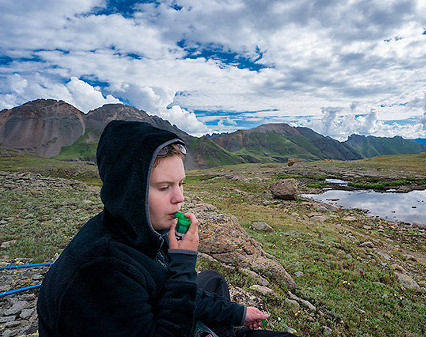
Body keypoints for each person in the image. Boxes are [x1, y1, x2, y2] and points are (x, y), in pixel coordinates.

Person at [37, 120, 297, 337]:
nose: (179, 198)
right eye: (164, 187)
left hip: (161, 314)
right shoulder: (103, 272)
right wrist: (182, 266)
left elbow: (165, 288)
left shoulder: (137, 229)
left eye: (181, 183)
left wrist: (239, 313)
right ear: (129, 192)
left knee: (213, 281)